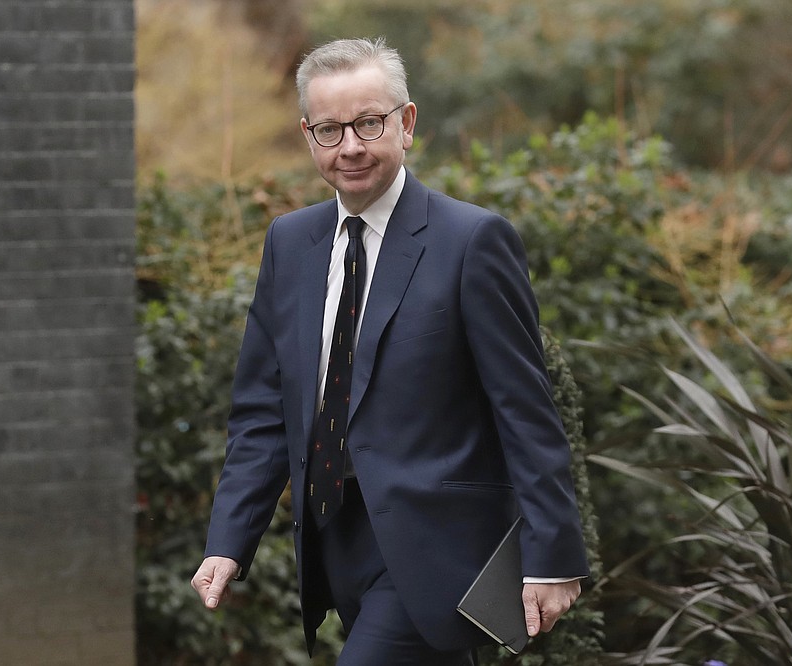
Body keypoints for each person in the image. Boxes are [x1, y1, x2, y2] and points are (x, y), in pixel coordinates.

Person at [192, 37, 589, 665]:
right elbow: (266, 412)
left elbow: (524, 409)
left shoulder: (472, 242)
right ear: (308, 135)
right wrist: (228, 542)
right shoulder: (290, 243)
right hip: (334, 542)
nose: (350, 146)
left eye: (368, 123)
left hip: (440, 549)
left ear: (406, 124)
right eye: (330, 129)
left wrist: (554, 557)